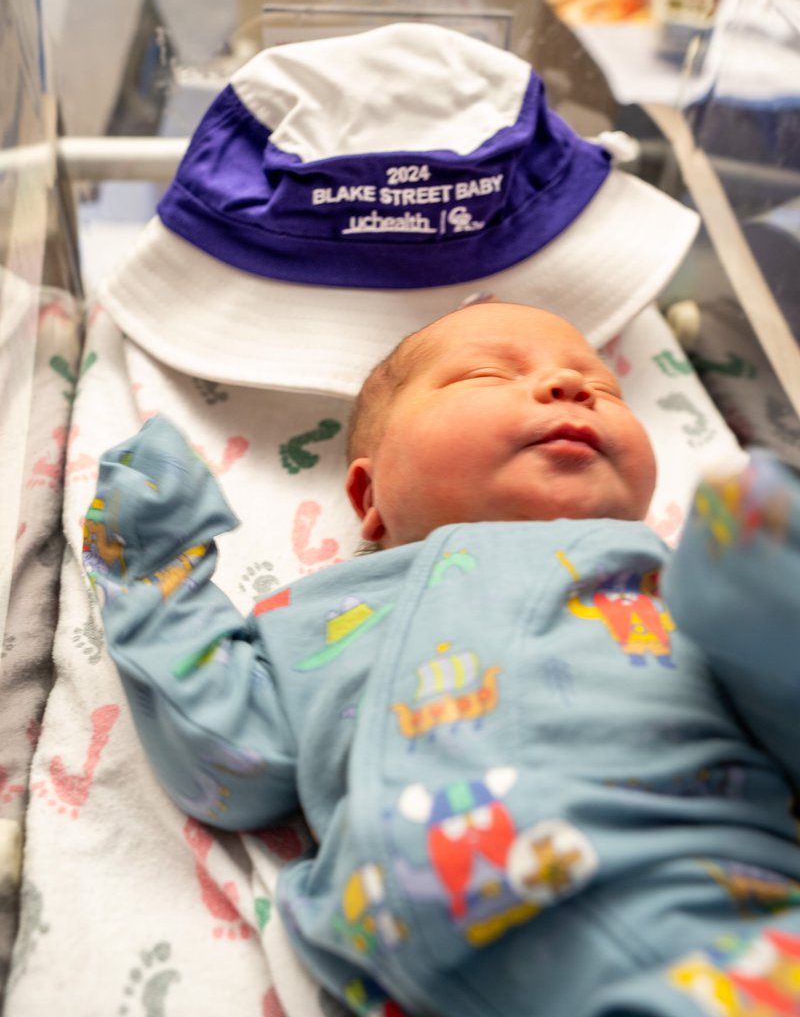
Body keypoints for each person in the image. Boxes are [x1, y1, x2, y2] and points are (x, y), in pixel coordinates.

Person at [83, 301, 800, 1017]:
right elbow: (232, 761)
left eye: (603, 387)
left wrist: (761, 589)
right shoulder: (330, 612)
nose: (570, 387)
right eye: (487, 374)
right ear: (371, 495)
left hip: (714, 898)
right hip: (440, 955)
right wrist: (153, 563)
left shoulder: (672, 582)